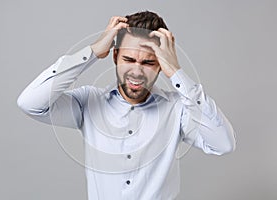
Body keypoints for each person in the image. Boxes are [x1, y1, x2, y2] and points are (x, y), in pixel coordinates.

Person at [17, 11, 236, 200]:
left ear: (161, 65)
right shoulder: (88, 102)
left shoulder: (179, 108)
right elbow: (30, 103)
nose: (137, 72)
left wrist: (177, 72)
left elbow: (223, 144)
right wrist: (93, 51)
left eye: (148, 62)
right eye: (129, 60)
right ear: (114, 56)